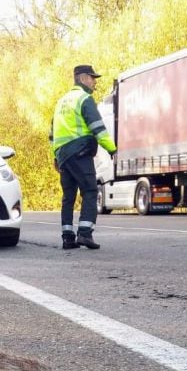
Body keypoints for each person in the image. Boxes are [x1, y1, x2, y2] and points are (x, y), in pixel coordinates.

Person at [51, 64, 117, 250]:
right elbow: (98, 128)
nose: (94, 82)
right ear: (82, 78)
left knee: (68, 196)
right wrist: (112, 149)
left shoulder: (61, 102)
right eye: (92, 77)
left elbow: (52, 133)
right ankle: (85, 234)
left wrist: (55, 157)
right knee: (90, 191)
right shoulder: (84, 99)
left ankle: (67, 237)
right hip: (80, 152)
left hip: (64, 156)